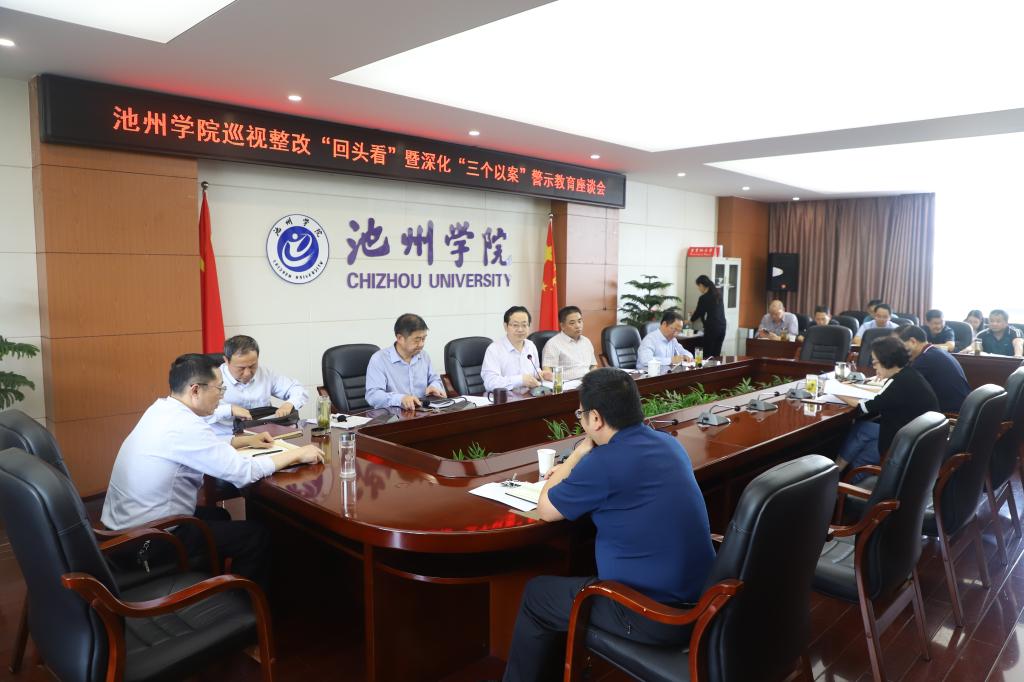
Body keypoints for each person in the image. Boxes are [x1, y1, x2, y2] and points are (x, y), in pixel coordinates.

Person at [502, 368, 715, 682]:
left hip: (653, 615)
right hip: (703, 603)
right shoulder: (668, 444)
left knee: (538, 596)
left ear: (596, 419)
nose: (582, 421)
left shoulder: (603, 462)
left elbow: (545, 508)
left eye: (581, 415)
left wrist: (577, 454)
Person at [101, 354, 323, 589]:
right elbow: (243, 472)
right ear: (195, 390)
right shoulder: (185, 426)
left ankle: (209, 585)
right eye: (219, 389)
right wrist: (297, 454)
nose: (222, 396)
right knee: (255, 536)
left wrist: (244, 441)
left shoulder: (163, 410)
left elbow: (197, 446)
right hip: (148, 543)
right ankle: (244, 602)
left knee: (219, 516)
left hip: (123, 531)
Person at [834, 336, 939, 475]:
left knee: (862, 430)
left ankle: (838, 473)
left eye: (875, 362)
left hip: (904, 445)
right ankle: (848, 476)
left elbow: (862, 407)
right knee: (866, 436)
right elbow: (885, 397)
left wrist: (834, 390)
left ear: (887, 361)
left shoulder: (897, 383)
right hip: (921, 443)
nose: (874, 366)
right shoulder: (910, 374)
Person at [207, 335, 308, 436]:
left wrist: (289, 404)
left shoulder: (265, 373)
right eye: (241, 368)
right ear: (226, 360)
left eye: (252, 366)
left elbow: (298, 389)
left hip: (264, 435)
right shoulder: (211, 378)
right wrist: (229, 410)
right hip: (227, 437)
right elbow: (200, 415)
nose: (247, 373)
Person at [365, 313, 446, 410]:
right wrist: (400, 399)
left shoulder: (424, 356)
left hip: (424, 412)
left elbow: (435, 380)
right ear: (400, 338)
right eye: (416, 340)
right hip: (395, 414)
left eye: (424, 339)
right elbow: (373, 396)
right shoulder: (379, 359)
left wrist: (434, 386)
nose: (421, 344)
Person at [898, 325, 970, 414]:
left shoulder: (925, 359)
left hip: (950, 413)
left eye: (902, 346)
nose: (901, 351)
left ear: (913, 341)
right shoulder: (934, 352)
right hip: (962, 407)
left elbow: (902, 386)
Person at [482, 306, 552, 391]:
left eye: (524, 325)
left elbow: (535, 369)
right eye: (515, 325)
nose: (520, 329)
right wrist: (520, 380)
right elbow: (490, 383)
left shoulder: (531, 345)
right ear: (505, 326)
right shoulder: (494, 349)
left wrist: (540, 374)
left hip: (529, 395)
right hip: (506, 397)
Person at [541, 306, 598, 381]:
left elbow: (593, 366)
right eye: (572, 323)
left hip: (588, 383)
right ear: (562, 326)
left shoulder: (586, 341)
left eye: (580, 321)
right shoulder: (553, 344)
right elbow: (547, 371)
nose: (578, 326)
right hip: (567, 385)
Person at [689, 274, 727, 357]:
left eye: (698, 286)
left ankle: (701, 365)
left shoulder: (704, 298)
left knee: (705, 353)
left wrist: (690, 320)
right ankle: (715, 365)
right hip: (722, 327)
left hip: (712, 328)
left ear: (701, 285)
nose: (698, 289)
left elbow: (699, 312)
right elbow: (709, 310)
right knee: (716, 354)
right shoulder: (718, 294)